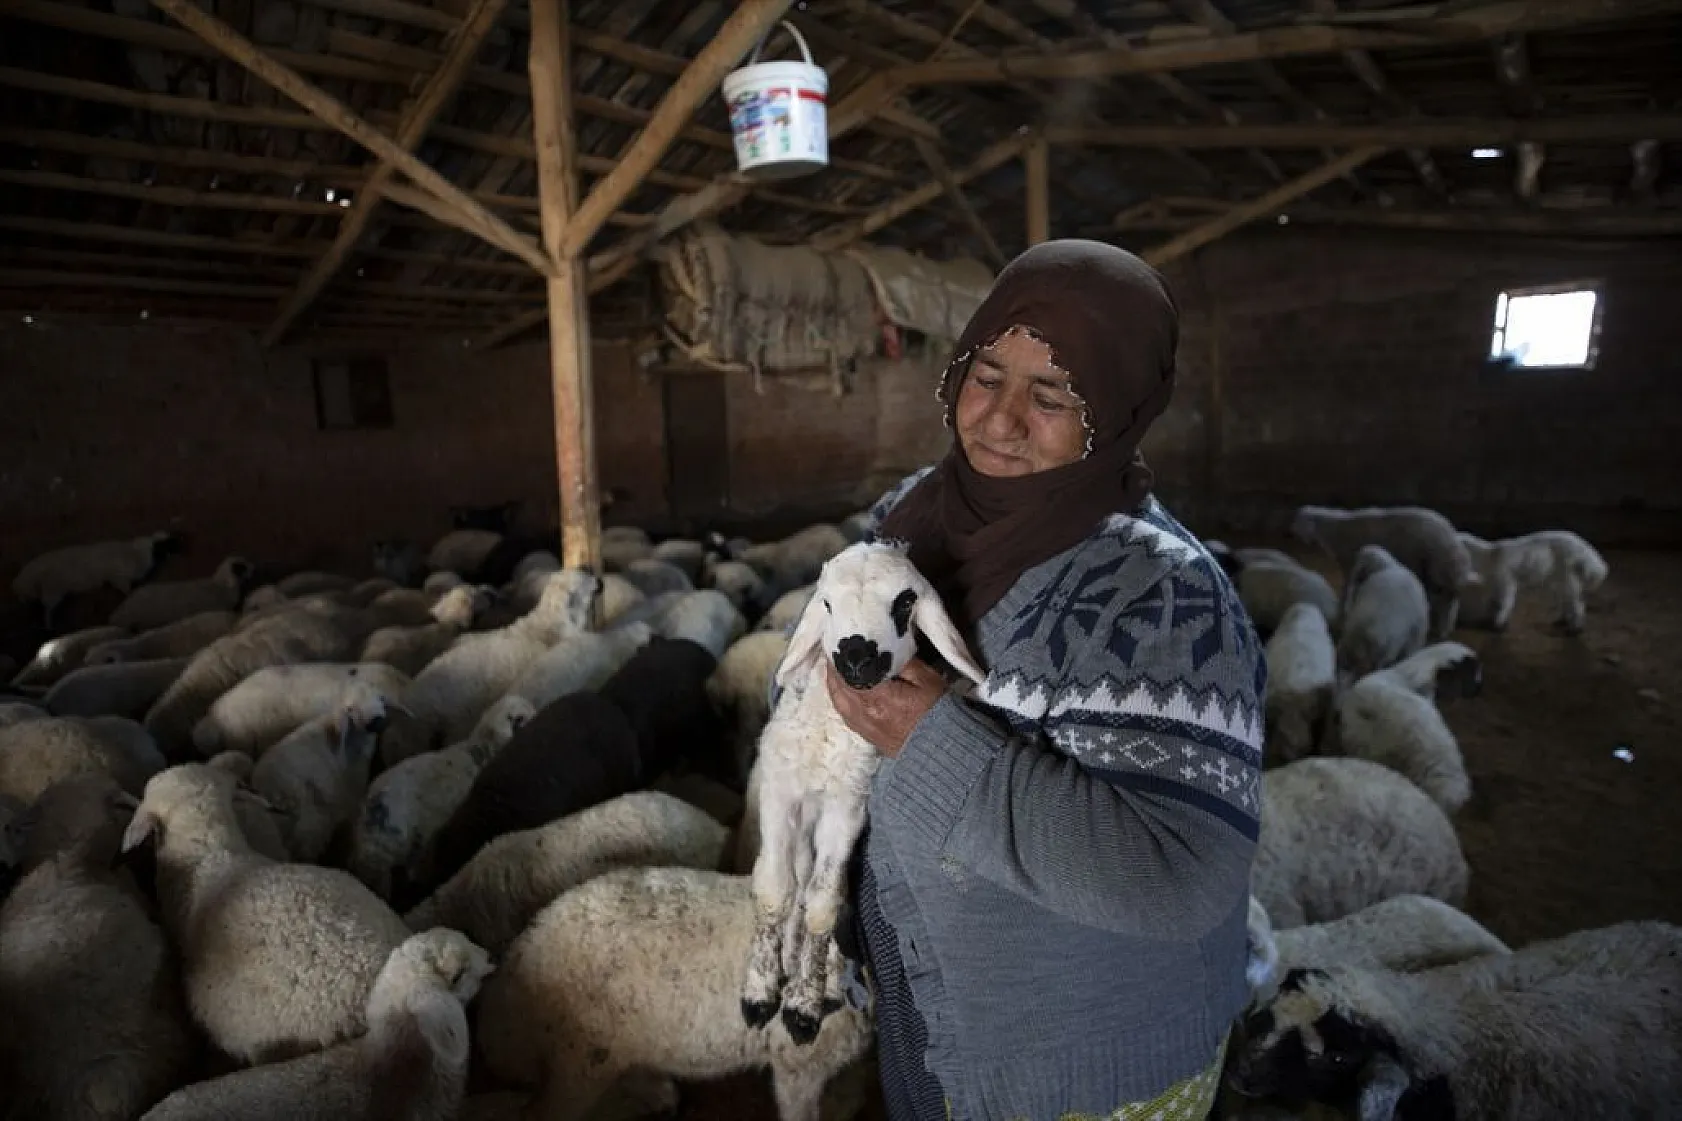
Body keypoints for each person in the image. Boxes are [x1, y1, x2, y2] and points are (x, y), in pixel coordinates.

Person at [825, 239, 1265, 1121]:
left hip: (1083, 1072)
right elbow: (831, 669)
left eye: (1053, 395)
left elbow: (1180, 877)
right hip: (932, 1021)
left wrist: (933, 741)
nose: (999, 420)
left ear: (1120, 410)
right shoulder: (912, 516)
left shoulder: (1166, 597)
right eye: (987, 375)